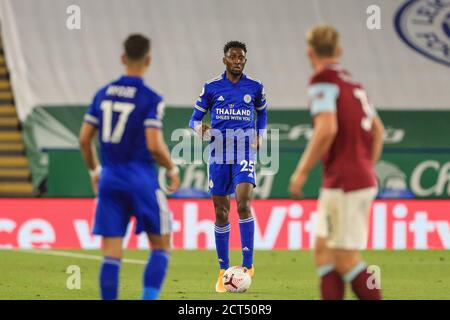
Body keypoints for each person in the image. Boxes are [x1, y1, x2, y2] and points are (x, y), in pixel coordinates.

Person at [79, 34, 180, 300]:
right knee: (161, 245)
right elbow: (155, 145)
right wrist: (171, 168)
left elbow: (84, 139)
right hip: (141, 179)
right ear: (148, 60)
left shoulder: (102, 94)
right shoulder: (151, 99)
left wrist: (95, 171)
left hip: (110, 178)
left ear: (123, 58)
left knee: (111, 252)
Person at [289, 25, 384, 300]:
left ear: (310, 53)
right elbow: (378, 131)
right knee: (323, 252)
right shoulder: (354, 84)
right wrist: (366, 165)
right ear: (339, 51)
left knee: (344, 258)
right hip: (356, 178)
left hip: (344, 182)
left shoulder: (322, 81)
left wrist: (301, 171)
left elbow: (326, 129)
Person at [188, 41, 268, 292]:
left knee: (243, 204)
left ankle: (248, 265)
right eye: (233, 57)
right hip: (218, 153)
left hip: (244, 151)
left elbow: (262, 113)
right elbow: (194, 119)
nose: (237, 60)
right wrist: (198, 129)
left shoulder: (255, 87)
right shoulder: (211, 88)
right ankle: (223, 270)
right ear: (224, 60)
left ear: (245, 60)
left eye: (241, 57)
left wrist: (260, 134)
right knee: (221, 211)